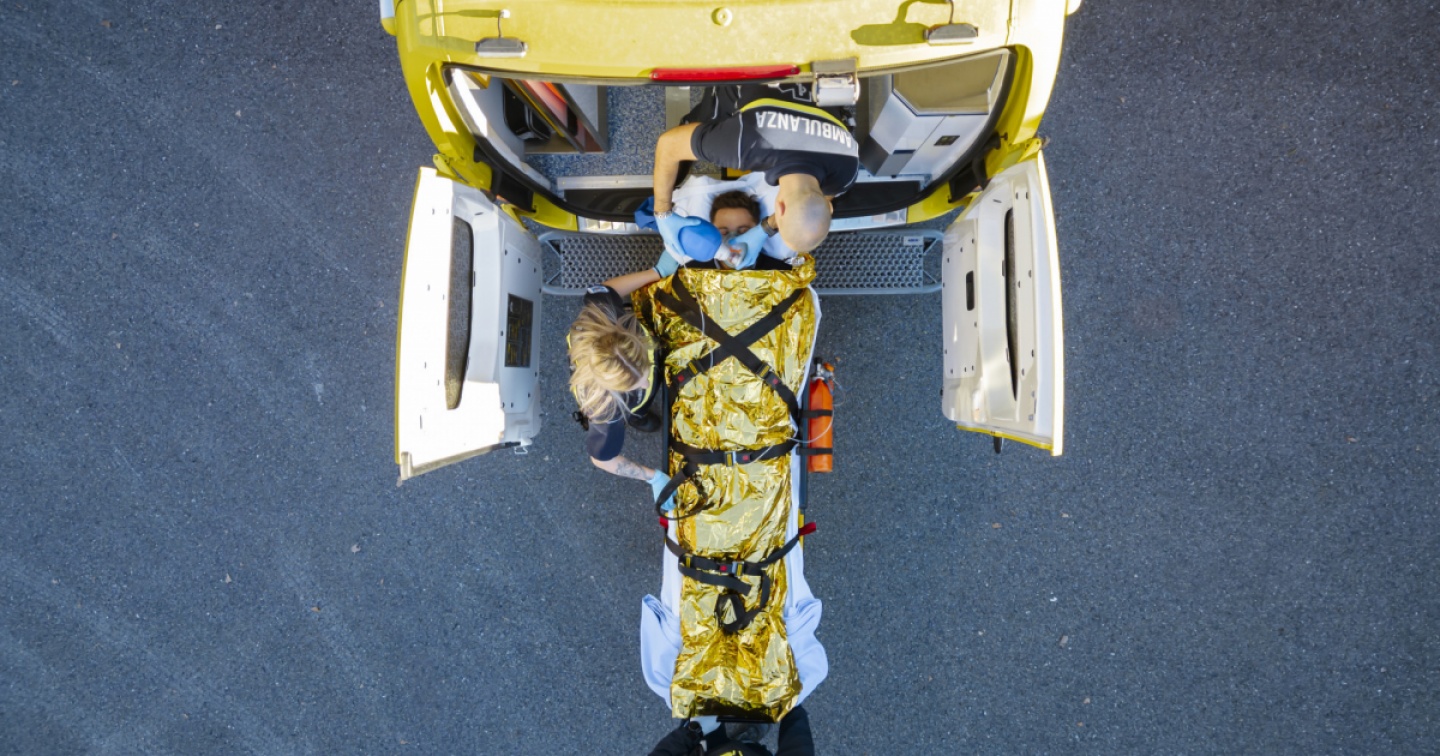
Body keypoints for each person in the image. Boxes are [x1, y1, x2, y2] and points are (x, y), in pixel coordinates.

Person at [651, 83, 859, 259]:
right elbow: (668, 145)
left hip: (814, 74)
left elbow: (826, 197)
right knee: (700, 127)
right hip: (755, 63)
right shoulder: (743, 146)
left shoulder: (849, 167)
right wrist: (662, 212)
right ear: (779, 207)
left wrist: (766, 228)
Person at [568, 267, 672, 508]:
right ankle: (636, 417)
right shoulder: (604, 409)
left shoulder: (602, 314)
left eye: (644, 372)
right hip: (621, 404)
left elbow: (609, 289)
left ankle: (638, 412)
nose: (646, 383)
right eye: (636, 385)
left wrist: (656, 272)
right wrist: (653, 477)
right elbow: (602, 459)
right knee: (636, 408)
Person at [647, 707, 815, 756]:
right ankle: (746, 741)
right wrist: (793, 711)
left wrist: (692, 733)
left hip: (705, 749)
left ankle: (741, 741)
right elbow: (798, 751)